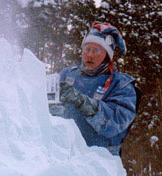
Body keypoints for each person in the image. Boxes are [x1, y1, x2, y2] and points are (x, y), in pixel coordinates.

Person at [51, 21, 141, 156]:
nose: (90, 55)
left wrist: (83, 103)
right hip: (64, 157)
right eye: (87, 49)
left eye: (97, 50)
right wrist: (51, 110)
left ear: (108, 56)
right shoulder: (67, 75)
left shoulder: (121, 85)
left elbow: (115, 123)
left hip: (99, 164)